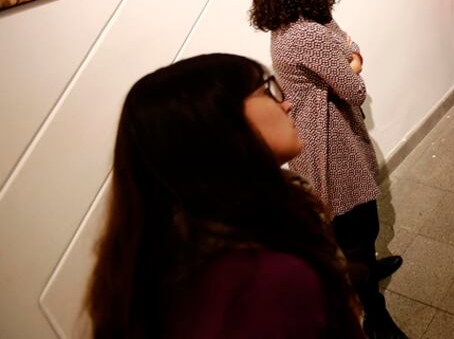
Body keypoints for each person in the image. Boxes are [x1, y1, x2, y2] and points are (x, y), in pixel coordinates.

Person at [86, 54, 365, 337]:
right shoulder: (265, 283)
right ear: (218, 124)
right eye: (266, 90)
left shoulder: (166, 258)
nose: (287, 104)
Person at [249, 0, 405, 338]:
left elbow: (350, 45)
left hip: (329, 133)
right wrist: (351, 64)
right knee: (356, 229)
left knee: (357, 229)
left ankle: (367, 264)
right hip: (329, 145)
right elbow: (355, 86)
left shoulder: (305, 21)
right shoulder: (307, 33)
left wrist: (348, 60)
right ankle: (375, 314)